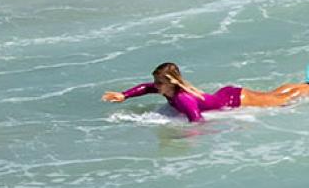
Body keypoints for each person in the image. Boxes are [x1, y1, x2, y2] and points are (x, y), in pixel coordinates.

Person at [102, 61, 309, 122]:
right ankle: (305, 84)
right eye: (156, 81)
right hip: (230, 94)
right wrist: (124, 95)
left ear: (171, 83)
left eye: (159, 82)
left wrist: (188, 138)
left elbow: (196, 119)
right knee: (275, 94)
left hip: (236, 99)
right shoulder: (166, 90)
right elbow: (145, 88)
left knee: (283, 100)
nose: (155, 86)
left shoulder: (183, 98)